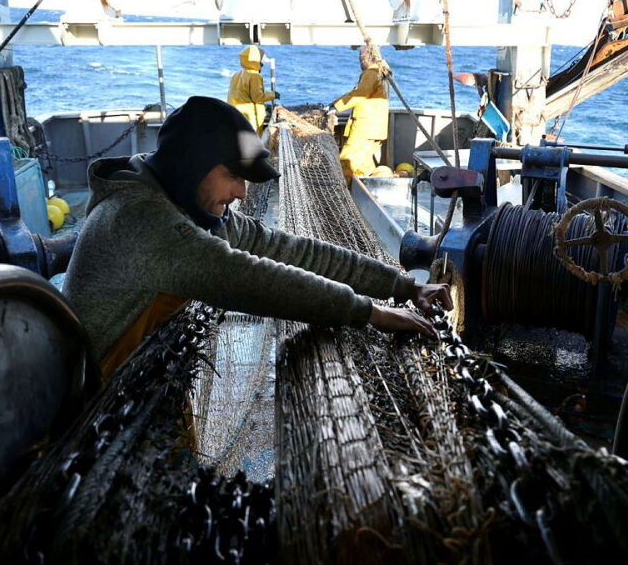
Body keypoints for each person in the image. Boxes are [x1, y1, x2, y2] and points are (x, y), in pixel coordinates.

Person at [63, 96, 451, 380]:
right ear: (189, 167)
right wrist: (371, 313)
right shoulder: (141, 220)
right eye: (233, 176)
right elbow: (252, 279)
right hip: (94, 403)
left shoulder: (187, 205)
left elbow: (291, 252)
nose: (242, 194)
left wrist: (402, 286)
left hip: (143, 378)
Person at [332, 45, 389, 182]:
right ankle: (367, 191)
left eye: (361, 57)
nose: (360, 61)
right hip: (375, 129)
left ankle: (343, 196)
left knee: (346, 161)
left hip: (365, 129)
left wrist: (335, 106)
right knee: (364, 166)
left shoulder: (371, 73)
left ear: (368, 57)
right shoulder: (381, 72)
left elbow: (360, 94)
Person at [227, 45, 278, 134]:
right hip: (250, 117)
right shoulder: (255, 76)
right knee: (253, 142)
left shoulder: (236, 75)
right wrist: (273, 95)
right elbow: (257, 97)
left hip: (235, 114)